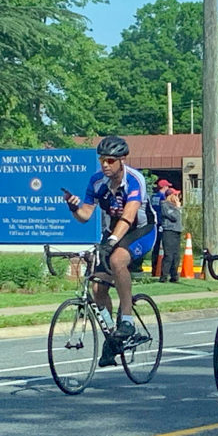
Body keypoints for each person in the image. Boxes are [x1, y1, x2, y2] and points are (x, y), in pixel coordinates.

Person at [62, 136, 156, 367]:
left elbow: (129, 215)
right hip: (113, 231)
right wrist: (73, 206)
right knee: (97, 286)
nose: (105, 165)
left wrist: (113, 240)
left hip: (140, 230)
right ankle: (113, 337)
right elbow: (85, 216)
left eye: (110, 160)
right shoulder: (96, 182)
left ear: (122, 160)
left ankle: (127, 320)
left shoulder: (135, 179)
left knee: (117, 260)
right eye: (102, 160)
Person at [158, 188, 183, 282]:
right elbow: (174, 217)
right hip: (169, 231)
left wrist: (177, 208)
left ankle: (174, 276)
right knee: (169, 255)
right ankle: (164, 277)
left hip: (176, 231)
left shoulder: (174, 206)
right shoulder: (165, 205)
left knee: (176, 255)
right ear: (170, 196)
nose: (177, 197)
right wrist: (177, 207)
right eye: (175, 195)